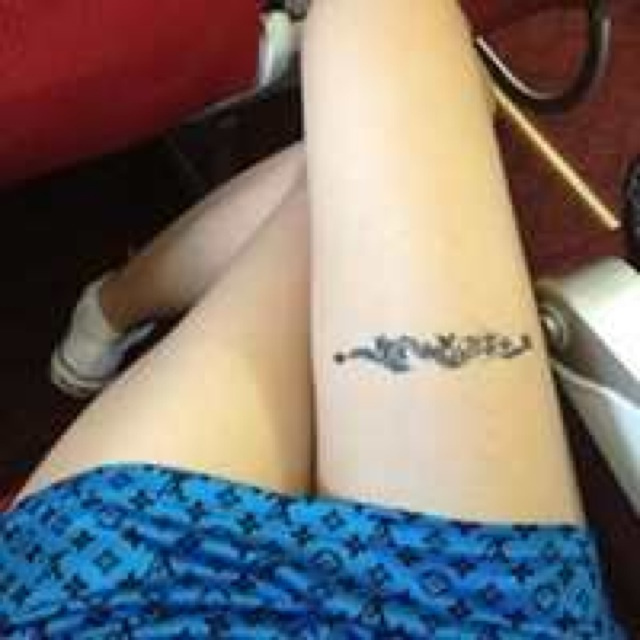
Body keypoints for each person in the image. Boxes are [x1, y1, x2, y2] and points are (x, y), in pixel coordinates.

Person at [0, 1, 623, 636]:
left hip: (141, 597)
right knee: (399, 108)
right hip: (477, 610)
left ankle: (111, 309)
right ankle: (106, 312)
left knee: (392, 80)